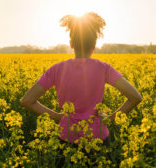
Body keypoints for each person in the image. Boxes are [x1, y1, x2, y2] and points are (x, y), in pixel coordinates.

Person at [20, 12, 142, 146]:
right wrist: (109, 119)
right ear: (94, 45)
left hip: (67, 137)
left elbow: (27, 100)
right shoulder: (104, 68)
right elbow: (135, 97)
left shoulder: (57, 69)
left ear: (71, 44)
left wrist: (57, 116)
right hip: (98, 138)